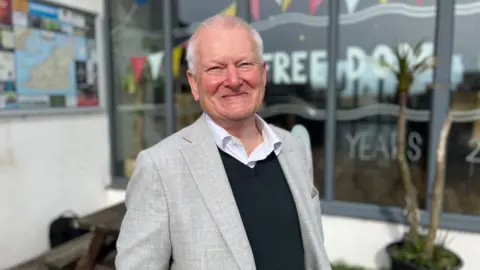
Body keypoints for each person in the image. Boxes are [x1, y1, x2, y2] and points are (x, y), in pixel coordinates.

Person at [115, 14, 331, 270]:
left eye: (244, 64)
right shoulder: (160, 167)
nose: (233, 80)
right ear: (194, 84)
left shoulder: (294, 147)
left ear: (263, 74)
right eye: (216, 68)